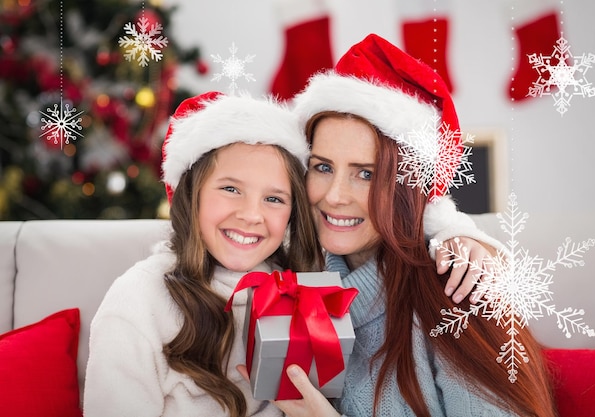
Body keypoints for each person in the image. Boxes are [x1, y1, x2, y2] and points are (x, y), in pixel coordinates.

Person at [272, 34, 557, 416]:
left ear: (408, 185)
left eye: (366, 174)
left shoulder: (459, 291)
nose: (335, 195)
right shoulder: (292, 284)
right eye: (323, 167)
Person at [83, 91, 323, 417]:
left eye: (274, 199)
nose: (251, 215)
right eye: (230, 189)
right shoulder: (139, 300)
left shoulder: (305, 292)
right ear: (191, 195)